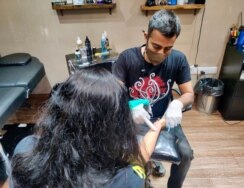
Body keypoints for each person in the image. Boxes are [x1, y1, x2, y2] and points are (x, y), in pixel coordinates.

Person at [10, 68, 166, 188]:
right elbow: (141, 156)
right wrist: (159, 124)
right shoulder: (125, 179)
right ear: (115, 125)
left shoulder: (25, 148)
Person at [113, 10, 194, 188]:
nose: (162, 53)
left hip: (164, 120)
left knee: (186, 154)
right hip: (133, 120)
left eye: (168, 48)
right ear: (146, 35)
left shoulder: (178, 59)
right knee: (124, 155)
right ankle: (142, 181)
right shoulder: (127, 58)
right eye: (156, 46)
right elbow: (114, 94)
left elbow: (189, 93)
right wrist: (130, 106)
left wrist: (177, 103)